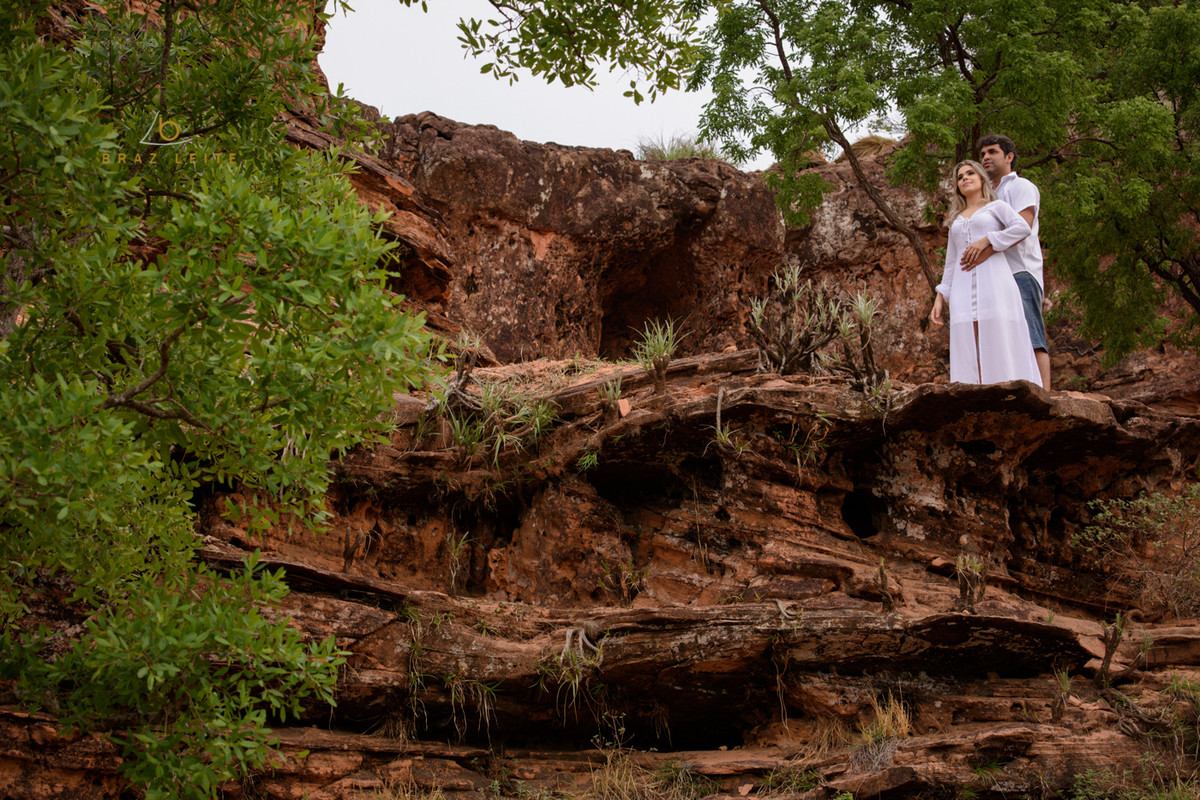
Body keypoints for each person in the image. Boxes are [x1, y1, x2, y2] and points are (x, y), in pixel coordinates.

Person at [929, 160, 1042, 385]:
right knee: (968, 339)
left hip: (995, 282)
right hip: (962, 287)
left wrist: (988, 240)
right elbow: (951, 262)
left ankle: (1006, 389)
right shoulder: (956, 220)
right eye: (960, 177)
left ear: (981, 178)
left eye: (970, 173)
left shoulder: (996, 207)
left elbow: (1022, 228)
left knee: (996, 334)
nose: (965, 179)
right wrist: (940, 296)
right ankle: (975, 393)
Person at [960, 134, 1051, 390]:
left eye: (992, 152)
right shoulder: (985, 195)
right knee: (1001, 338)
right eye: (982, 154)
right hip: (992, 277)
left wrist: (986, 245)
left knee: (1030, 332)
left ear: (1009, 157)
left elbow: (1023, 226)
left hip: (1020, 271)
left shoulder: (1020, 187)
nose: (986, 157)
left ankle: (1046, 396)